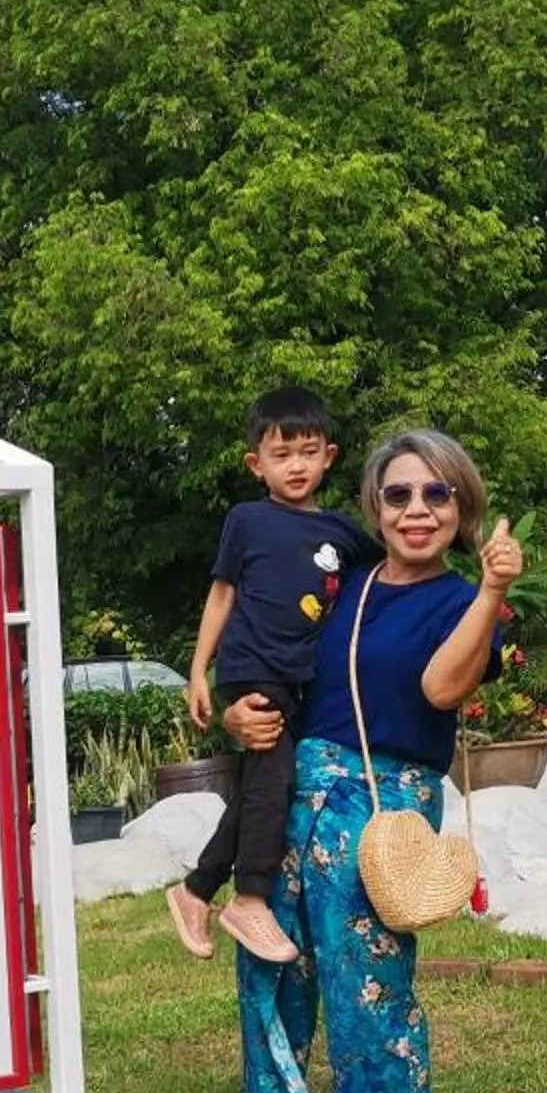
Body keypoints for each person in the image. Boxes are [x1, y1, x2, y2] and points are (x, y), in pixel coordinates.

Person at [203, 431, 522, 1093]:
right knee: (270, 966)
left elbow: (442, 690)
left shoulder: (466, 602)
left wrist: (488, 594)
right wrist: (243, 714)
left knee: (366, 970)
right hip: (294, 783)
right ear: (375, 508)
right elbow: (276, 659)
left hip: (384, 794)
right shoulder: (338, 583)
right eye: (399, 495)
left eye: (436, 494)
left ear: (461, 505)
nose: (417, 510)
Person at [165, 386, 379, 966]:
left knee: (267, 785)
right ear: (256, 464)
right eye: (281, 455)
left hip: (302, 680)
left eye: (308, 452)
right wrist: (198, 670)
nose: (296, 465)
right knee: (273, 781)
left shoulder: (342, 534)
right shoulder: (248, 520)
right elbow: (221, 594)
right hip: (251, 666)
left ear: (329, 456)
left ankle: (196, 889)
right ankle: (250, 898)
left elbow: (389, 571)